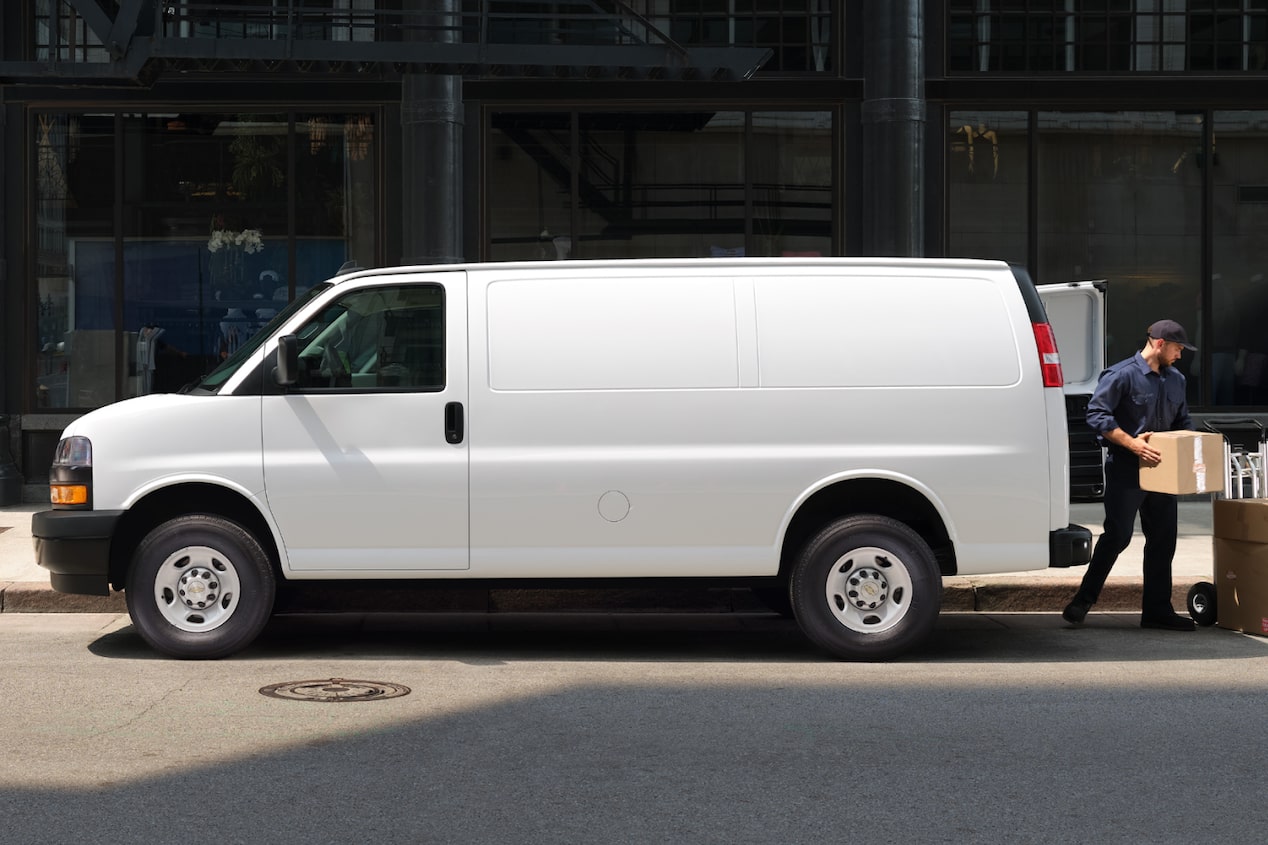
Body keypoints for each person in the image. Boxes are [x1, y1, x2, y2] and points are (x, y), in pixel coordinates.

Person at [1063, 319, 1199, 631]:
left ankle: (1157, 612)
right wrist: (1133, 443)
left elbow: (1183, 421)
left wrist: (1191, 451)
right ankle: (1082, 601)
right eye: (1178, 349)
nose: (1180, 355)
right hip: (1126, 467)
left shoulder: (1176, 379)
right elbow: (1097, 414)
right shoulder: (1121, 375)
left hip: (1163, 470)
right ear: (1160, 344)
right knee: (1118, 535)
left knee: (1163, 539)